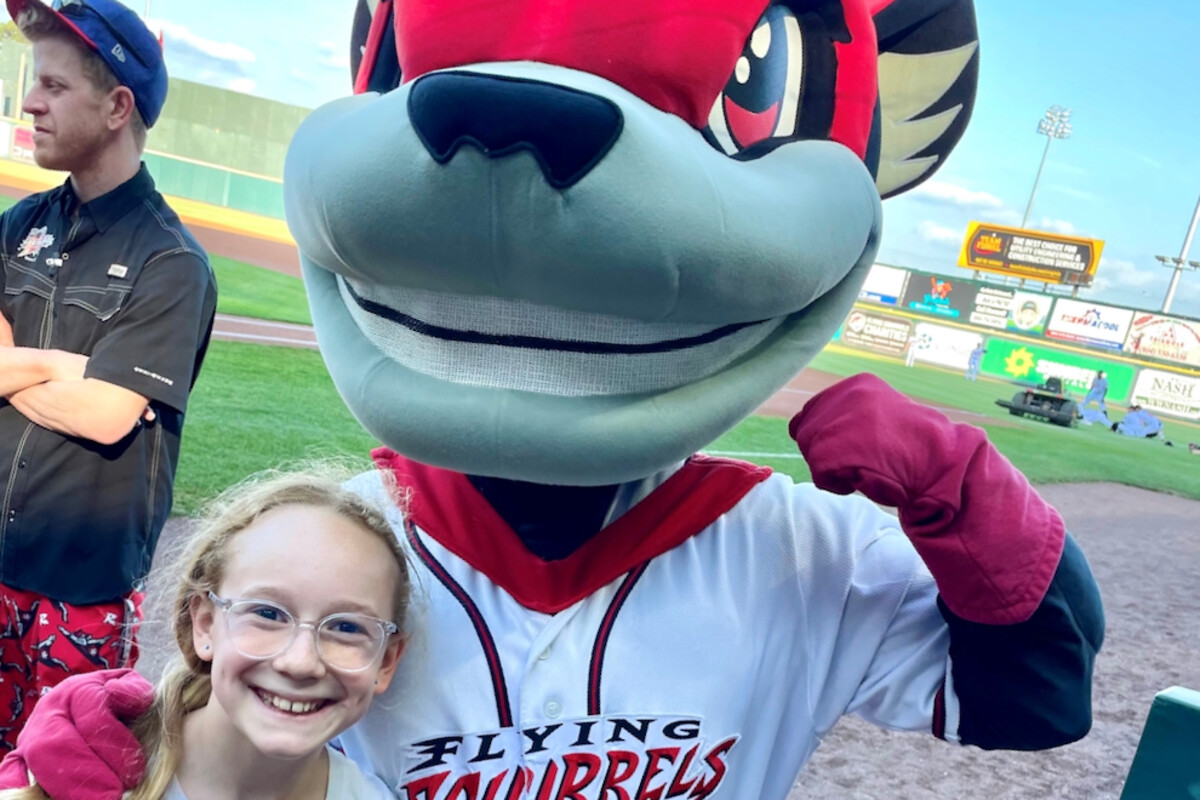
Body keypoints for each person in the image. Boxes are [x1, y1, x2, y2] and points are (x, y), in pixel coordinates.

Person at [2, 1, 1105, 797]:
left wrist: (967, 492)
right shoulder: (347, 552)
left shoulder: (799, 550)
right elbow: (230, 734)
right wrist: (132, 765)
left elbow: (1032, 698)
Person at [0, 0, 217, 749]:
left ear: (118, 105)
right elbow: (88, 395)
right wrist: (65, 367)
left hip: (80, 593)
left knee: (60, 774)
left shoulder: (171, 263)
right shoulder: (18, 225)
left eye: (54, 87)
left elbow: (107, 416)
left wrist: (12, 370)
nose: (30, 101)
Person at [0, 467, 410, 799]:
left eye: (346, 627)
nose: (300, 661)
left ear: (386, 660)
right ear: (205, 624)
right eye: (267, 613)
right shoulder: (78, 774)